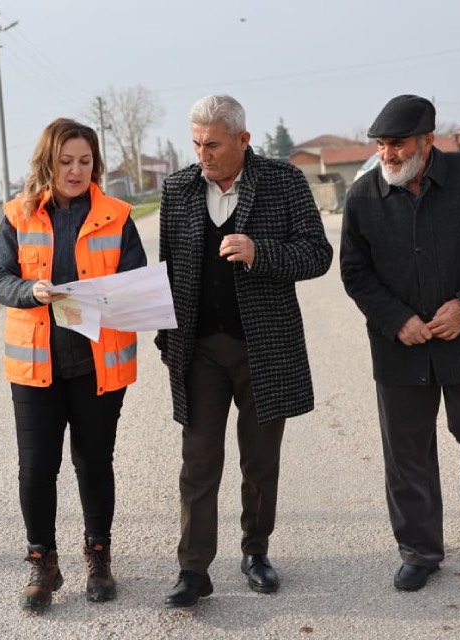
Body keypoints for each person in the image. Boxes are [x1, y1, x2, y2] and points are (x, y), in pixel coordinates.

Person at [155, 94, 333, 608]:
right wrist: (168, 341)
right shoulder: (179, 189)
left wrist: (261, 253)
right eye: (195, 143)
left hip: (265, 350)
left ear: (242, 140)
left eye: (212, 144)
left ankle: (256, 552)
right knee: (199, 461)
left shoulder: (283, 181)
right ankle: (193, 570)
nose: (202, 154)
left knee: (259, 462)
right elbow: (168, 273)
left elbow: (318, 255)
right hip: (200, 351)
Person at [339, 95, 460, 592]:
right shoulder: (363, 198)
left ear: (426, 140)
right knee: (407, 455)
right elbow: (355, 273)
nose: (387, 155)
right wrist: (396, 320)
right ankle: (420, 550)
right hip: (400, 350)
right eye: (381, 145)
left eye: (397, 144)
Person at [0, 118, 147, 613]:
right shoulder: (18, 215)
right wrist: (28, 292)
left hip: (97, 365)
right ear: (48, 162)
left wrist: (114, 295)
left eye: (85, 161)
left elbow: (137, 282)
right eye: (66, 161)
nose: (77, 171)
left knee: (93, 464)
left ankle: (98, 555)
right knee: (36, 468)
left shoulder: (117, 215)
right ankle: (43, 561)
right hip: (36, 365)